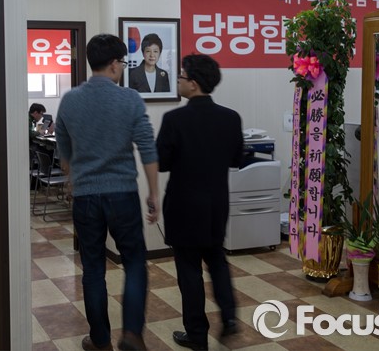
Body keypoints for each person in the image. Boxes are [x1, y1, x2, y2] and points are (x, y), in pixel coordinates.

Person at [55, 33, 160, 351]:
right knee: (134, 262)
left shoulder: (70, 100)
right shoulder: (129, 99)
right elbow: (147, 149)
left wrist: (74, 177)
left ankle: (100, 340)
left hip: (86, 198)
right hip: (122, 195)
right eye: (123, 63)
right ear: (114, 64)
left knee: (93, 269)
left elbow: (64, 152)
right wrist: (154, 194)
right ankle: (132, 334)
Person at [156, 54, 243, 350]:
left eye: (181, 76)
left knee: (189, 270)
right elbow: (236, 159)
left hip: (182, 205)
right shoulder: (231, 118)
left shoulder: (174, 119)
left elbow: (162, 162)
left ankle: (197, 335)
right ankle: (229, 316)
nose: (178, 81)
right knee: (216, 259)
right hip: (217, 203)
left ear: (193, 84)